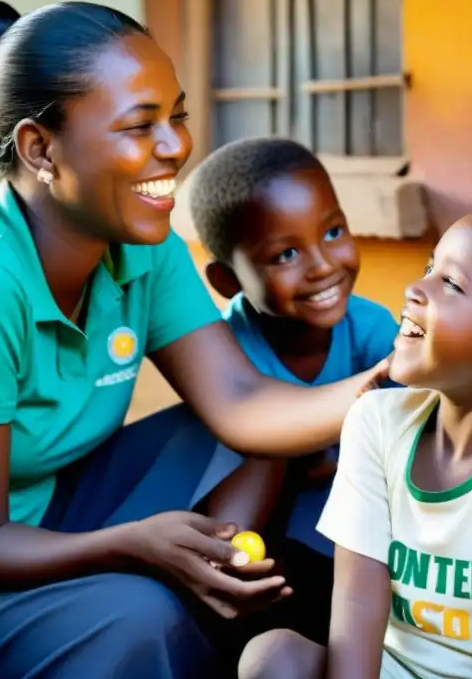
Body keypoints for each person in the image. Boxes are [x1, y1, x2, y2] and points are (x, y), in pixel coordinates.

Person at [0, 0, 385, 679]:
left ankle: (221, 594)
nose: (176, 146)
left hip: (45, 502)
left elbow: (242, 399)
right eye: (139, 126)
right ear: (40, 148)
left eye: (176, 116)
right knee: (137, 617)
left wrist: (390, 382)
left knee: (256, 436)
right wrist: (134, 545)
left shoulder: (139, 241)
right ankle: (173, 609)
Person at [240, 203, 472, 679]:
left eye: (451, 284)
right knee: (273, 659)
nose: (414, 289)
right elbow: (358, 597)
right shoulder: (377, 420)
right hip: (398, 667)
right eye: (429, 268)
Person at [188, 136, 398, 640]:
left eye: (333, 230)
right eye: (285, 254)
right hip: (266, 525)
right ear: (226, 279)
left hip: (359, 531)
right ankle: (228, 569)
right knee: (262, 442)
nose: (323, 264)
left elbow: (405, 440)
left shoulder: (372, 331)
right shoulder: (223, 348)